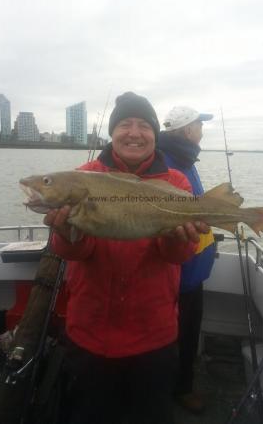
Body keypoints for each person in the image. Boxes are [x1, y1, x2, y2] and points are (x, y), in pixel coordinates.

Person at [43, 92, 210, 424]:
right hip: (90, 332)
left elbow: (176, 256)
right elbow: (76, 251)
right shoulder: (85, 175)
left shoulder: (175, 182)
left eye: (143, 125)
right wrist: (64, 233)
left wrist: (180, 240)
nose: (134, 132)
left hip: (154, 334)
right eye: (124, 124)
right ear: (112, 132)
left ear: (154, 134)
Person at [158, 106, 216, 414]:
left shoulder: (185, 158)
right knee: (175, 334)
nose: (202, 130)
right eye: (198, 124)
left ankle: (180, 384)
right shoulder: (169, 161)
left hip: (195, 270)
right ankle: (178, 389)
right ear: (185, 130)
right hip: (179, 271)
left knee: (189, 332)